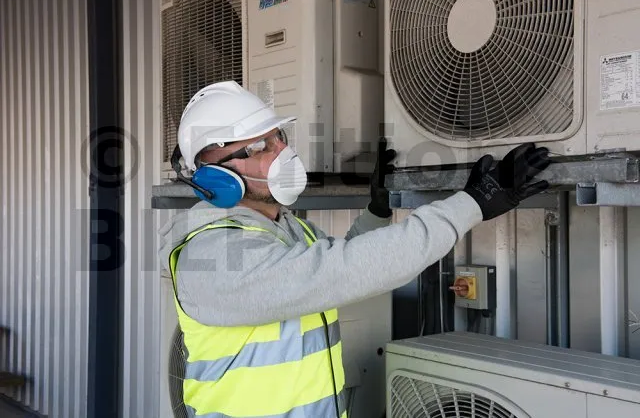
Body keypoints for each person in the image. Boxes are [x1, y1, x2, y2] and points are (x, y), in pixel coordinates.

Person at [158, 80, 551, 418]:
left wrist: (377, 209)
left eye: (279, 137)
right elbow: (342, 271)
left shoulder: (288, 230)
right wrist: (473, 203)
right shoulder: (210, 257)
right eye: (260, 146)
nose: (282, 153)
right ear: (215, 175)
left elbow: (343, 259)